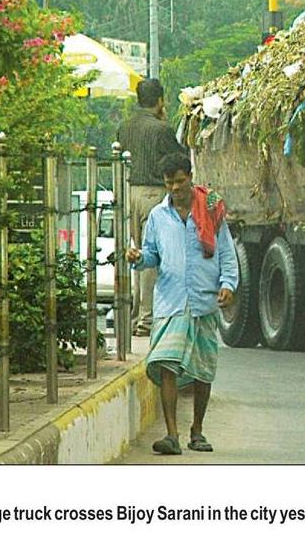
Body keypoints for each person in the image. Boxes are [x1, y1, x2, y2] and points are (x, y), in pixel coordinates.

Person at [126, 152, 238, 455]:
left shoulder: (211, 211)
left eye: (179, 181)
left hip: (204, 301)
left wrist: (228, 284)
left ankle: (197, 431)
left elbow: (226, 254)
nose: (175, 188)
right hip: (170, 303)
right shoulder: (158, 217)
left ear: (190, 177)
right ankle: (172, 435)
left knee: (203, 371)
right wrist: (138, 258)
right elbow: (151, 255)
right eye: (169, 183)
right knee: (166, 364)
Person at [117, 78, 187, 337]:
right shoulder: (162, 129)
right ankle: (147, 320)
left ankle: (135, 317)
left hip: (128, 194)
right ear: (160, 100)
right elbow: (180, 160)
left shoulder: (124, 127)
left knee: (136, 255)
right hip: (152, 195)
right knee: (151, 256)